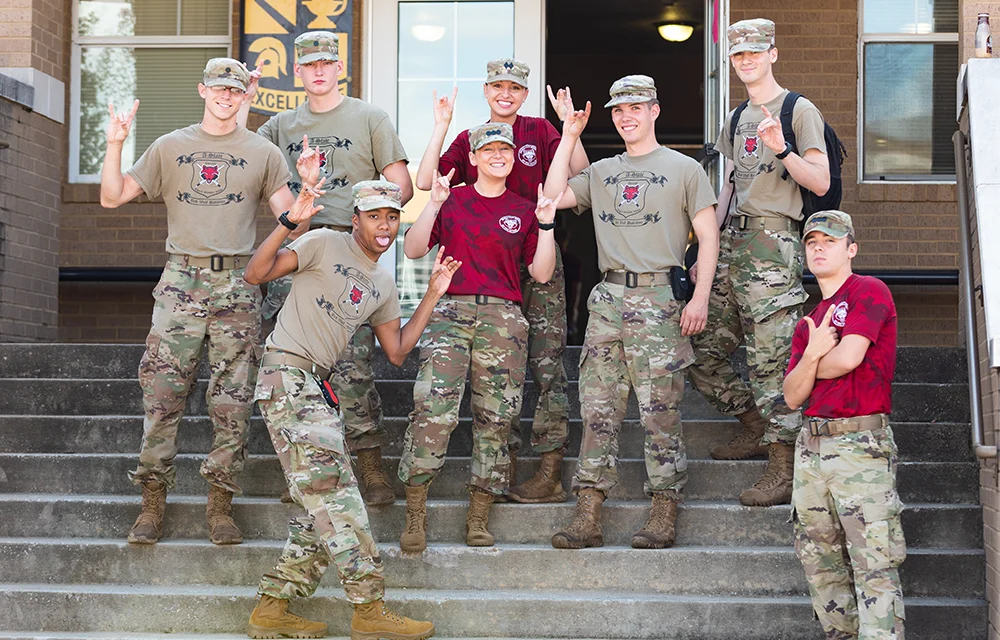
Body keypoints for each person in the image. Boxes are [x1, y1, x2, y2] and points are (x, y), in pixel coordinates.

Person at [244, 178, 456, 640]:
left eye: (393, 216)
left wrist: (433, 294)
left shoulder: (382, 280)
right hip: (288, 376)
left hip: (317, 386)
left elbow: (397, 350)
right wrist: (289, 222)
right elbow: (255, 273)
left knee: (319, 504)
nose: (385, 225)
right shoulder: (322, 242)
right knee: (339, 500)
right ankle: (369, 608)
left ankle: (273, 607)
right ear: (355, 218)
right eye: (375, 215)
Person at [101, 58, 296, 546]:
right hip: (179, 282)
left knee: (231, 402)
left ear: (242, 95)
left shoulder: (262, 151)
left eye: (234, 90)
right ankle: (151, 504)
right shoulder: (171, 146)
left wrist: (306, 187)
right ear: (203, 91)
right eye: (218, 89)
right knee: (162, 395)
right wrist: (115, 142)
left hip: (237, 285)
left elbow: (293, 218)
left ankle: (220, 506)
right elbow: (112, 196)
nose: (226, 97)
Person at [543, 75, 720, 550]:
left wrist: (700, 296)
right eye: (618, 109)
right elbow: (552, 197)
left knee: (659, 410)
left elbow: (708, 237)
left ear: (654, 110)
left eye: (635, 107)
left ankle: (664, 510)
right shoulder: (602, 171)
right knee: (597, 407)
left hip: (660, 299)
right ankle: (588, 513)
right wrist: (569, 135)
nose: (626, 116)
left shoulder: (685, 169)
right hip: (608, 299)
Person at [239, 31, 413, 507]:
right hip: (297, 247)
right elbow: (243, 160)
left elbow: (402, 187)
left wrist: (366, 214)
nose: (318, 71)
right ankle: (299, 470)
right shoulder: (279, 125)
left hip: (348, 247)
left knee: (352, 364)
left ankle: (371, 466)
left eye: (326, 64)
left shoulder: (369, 117)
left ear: (340, 68)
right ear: (297, 72)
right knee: (294, 363)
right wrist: (245, 100)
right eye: (309, 65)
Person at [414, 58, 588, 503]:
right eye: (497, 86)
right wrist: (441, 125)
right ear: (486, 90)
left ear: (525, 94)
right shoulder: (472, 140)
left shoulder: (538, 131)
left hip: (538, 253)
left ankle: (549, 469)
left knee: (547, 365)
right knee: (498, 371)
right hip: (488, 266)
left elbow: (581, 172)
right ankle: (500, 465)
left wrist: (570, 128)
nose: (505, 93)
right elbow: (425, 181)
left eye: (515, 87)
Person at [687, 18, 831, 507]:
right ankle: (753, 426)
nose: (746, 61)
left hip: (774, 244)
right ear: (731, 62)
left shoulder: (798, 108)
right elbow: (730, 184)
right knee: (698, 350)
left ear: (772, 53)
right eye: (737, 55)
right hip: (731, 244)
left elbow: (819, 181)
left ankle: (782, 465)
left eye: (754, 52)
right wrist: (703, 248)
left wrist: (782, 149)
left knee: (771, 360)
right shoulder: (734, 116)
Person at [397, 122, 558, 551]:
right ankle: (415, 513)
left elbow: (541, 274)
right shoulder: (453, 200)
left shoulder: (524, 208)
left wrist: (546, 224)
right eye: (488, 150)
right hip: (450, 312)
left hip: (503, 318)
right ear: (473, 158)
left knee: (496, 418)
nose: (498, 155)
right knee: (433, 409)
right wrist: (432, 204)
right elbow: (413, 249)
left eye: (505, 149)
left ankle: (479, 515)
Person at [783, 210, 905, 639]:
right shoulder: (810, 320)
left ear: (850, 249)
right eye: (811, 241)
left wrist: (811, 359)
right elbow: (792, 394)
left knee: (873, 566)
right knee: (822, 568)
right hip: (812, 450)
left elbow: (850, 356)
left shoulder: (868, 291)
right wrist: (815, 352)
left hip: (860, 445)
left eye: (829, 240)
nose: (818, 247)